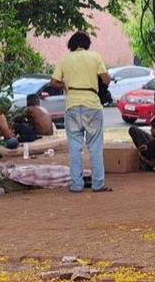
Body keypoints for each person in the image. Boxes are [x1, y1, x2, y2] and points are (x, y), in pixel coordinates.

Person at [50, 31, 112, 193]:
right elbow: (106, 79)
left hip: (71, 105)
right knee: (95, 147)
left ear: (71, 44)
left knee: (74, 147)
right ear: (86, 44)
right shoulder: (95, 57)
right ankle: (98, 183)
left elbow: (53, 82)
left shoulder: (64, 60)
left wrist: (67, 85)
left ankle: (77, 184)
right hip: (92, 104)